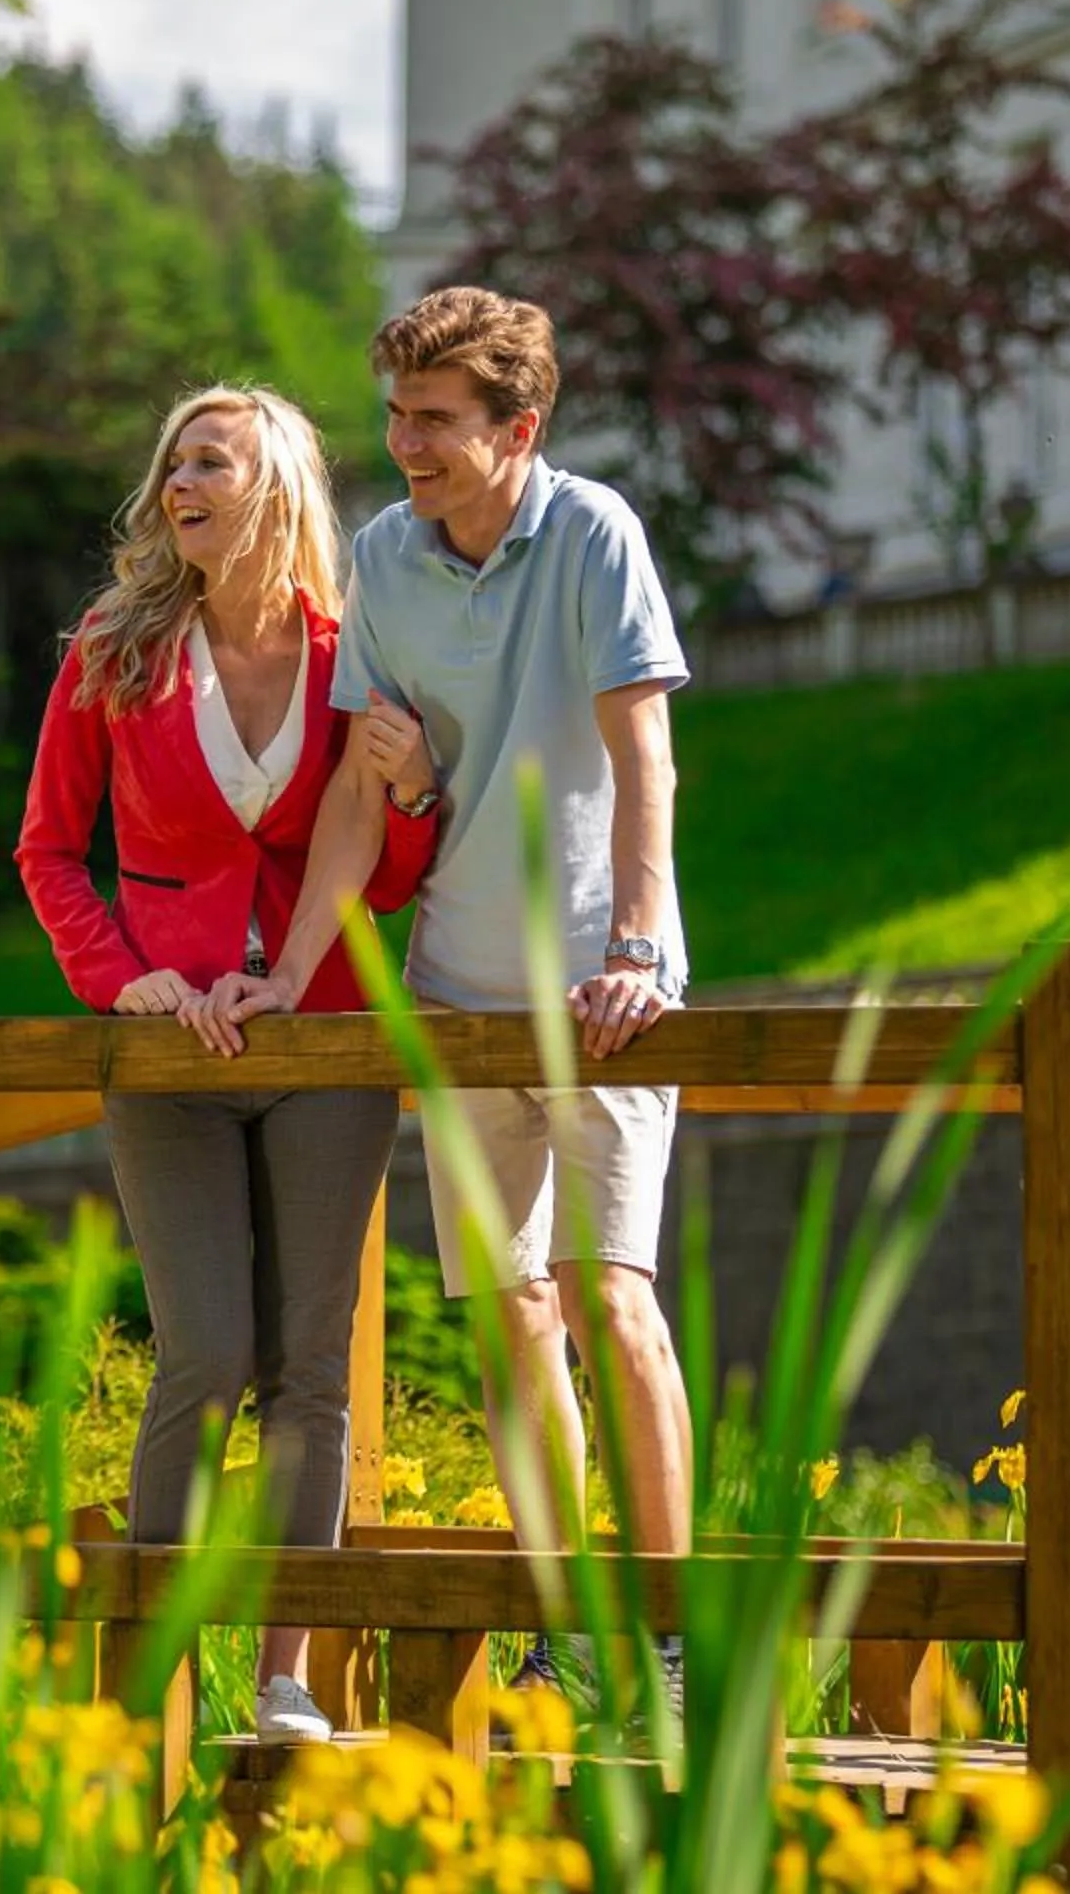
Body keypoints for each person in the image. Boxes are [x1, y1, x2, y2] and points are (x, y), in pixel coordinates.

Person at [190, 286, 694, 1709]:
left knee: (614, 1302)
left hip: (607, 989)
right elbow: (365, 791)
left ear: (516, 427)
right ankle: (569, 1637)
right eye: (396, 415)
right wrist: (291, 971)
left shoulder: (593, 534)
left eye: (435, 421)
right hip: (458, 989)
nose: (404, 443)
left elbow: (645, 753)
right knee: (512, 1318)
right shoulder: (381, 562)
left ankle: (665, 1636)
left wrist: (642, 945)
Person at [14, 384, 442, 1747]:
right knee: (202, 1352)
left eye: (214, 461)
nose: (181, 482)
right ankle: (153, 1683)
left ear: (278, 492)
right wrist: (118, 977)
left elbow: (391, 867)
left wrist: (419, 788)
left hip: (326, 1038)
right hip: (169, 1052)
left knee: (309, 1364)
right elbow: (44, 852)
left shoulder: (353, 651)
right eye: (173, 464)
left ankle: (285, 1680)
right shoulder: (112, 652)